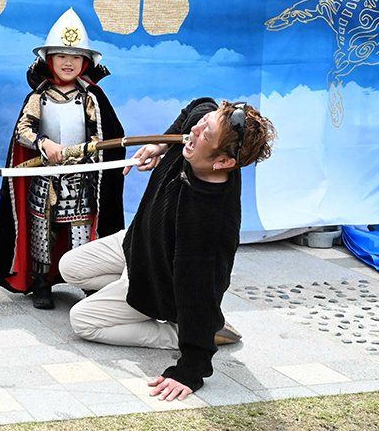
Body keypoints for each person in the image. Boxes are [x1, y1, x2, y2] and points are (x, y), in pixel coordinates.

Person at [58, 98, 276, 400]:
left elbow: (201, 292)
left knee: (83, 321)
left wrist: (191, 368)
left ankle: (180, 333)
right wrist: (161, 145)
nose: (194, 130)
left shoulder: (209, 222)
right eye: (204, 123)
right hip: (137, 243)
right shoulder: (200, 138)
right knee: (70, 267)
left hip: (157, 282)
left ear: (223, 162)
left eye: (205, 133)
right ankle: (129, 296)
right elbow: (199, 106)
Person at [0, 8, 125, 309]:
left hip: (81, 179)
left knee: (82, 233)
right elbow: (22, 131)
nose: (68, 62)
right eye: (61, 55)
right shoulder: (39, 97)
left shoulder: (91, 97)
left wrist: (91, 152)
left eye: (75, 56)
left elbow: (106, 135)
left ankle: (88, 283)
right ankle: (42, 282)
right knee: (41, 231)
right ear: (48, 59)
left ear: (85, 62)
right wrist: (44, 142)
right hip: (44, 177)